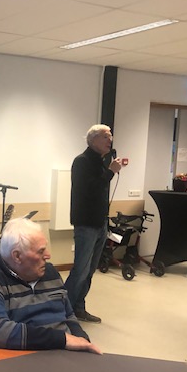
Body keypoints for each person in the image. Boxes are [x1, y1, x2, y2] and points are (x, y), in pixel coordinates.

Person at [0, 217, 102, 353]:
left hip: (60, 352)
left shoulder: (50, 273)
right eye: (40, 251)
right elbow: (1, 332)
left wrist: (81, 339)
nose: (48, 255)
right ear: (17, 256)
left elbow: (68, 315)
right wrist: (63, 340)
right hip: (18, 356)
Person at [64, 124, 122, 324]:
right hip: (86, 223)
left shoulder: (100, 162)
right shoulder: (82, 161)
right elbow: (91, 189)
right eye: (105, 136)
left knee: (89, 270)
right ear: (93, 140)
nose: (110, 140)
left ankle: (79, 308)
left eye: (110, 136)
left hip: (100, 223)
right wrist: (111, 172)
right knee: (80, 269)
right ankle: (63, 310)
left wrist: (109, 170)